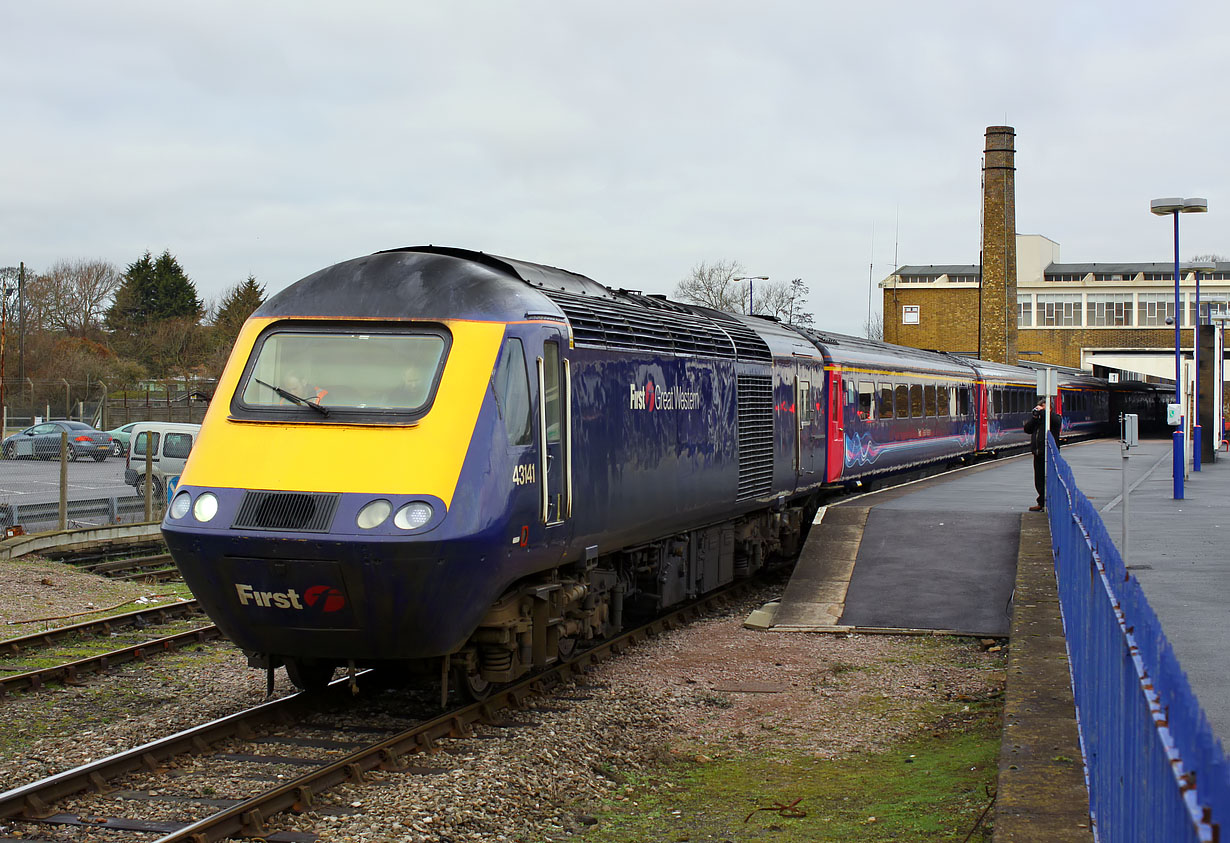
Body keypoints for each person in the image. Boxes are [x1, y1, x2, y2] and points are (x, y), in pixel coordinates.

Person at [1023, 397, 1061, 512]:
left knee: (1050, 479)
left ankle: (1051, 502)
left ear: (1050, 408)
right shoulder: (1038, 420)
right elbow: (1027, 429)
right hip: (1038, 453)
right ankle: (1041, 502)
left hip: (1050, 454)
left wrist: (1044, 413)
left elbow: (1057, 421)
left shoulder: (1055, 418)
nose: (1041, 410)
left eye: (1044, 407)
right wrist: (1035, 417)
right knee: (1039, 479)